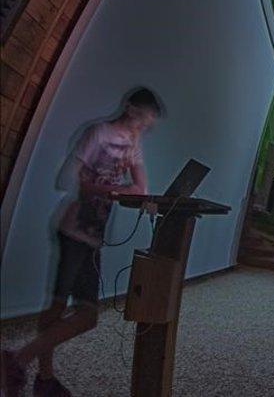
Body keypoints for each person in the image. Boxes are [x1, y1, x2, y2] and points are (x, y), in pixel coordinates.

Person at [3, 88, 161, 397]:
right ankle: (29, 369)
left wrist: (108, 190)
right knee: (61, 306)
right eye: (142, 118)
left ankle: (28, 368)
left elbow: (141, 187)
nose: (143, 126)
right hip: (74, 230)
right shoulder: (99, 133)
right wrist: (110, 189)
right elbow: (70, 178)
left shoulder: (133, 143)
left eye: (148, 123)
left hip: (93, 235)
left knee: (86, 315)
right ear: (129, 107)